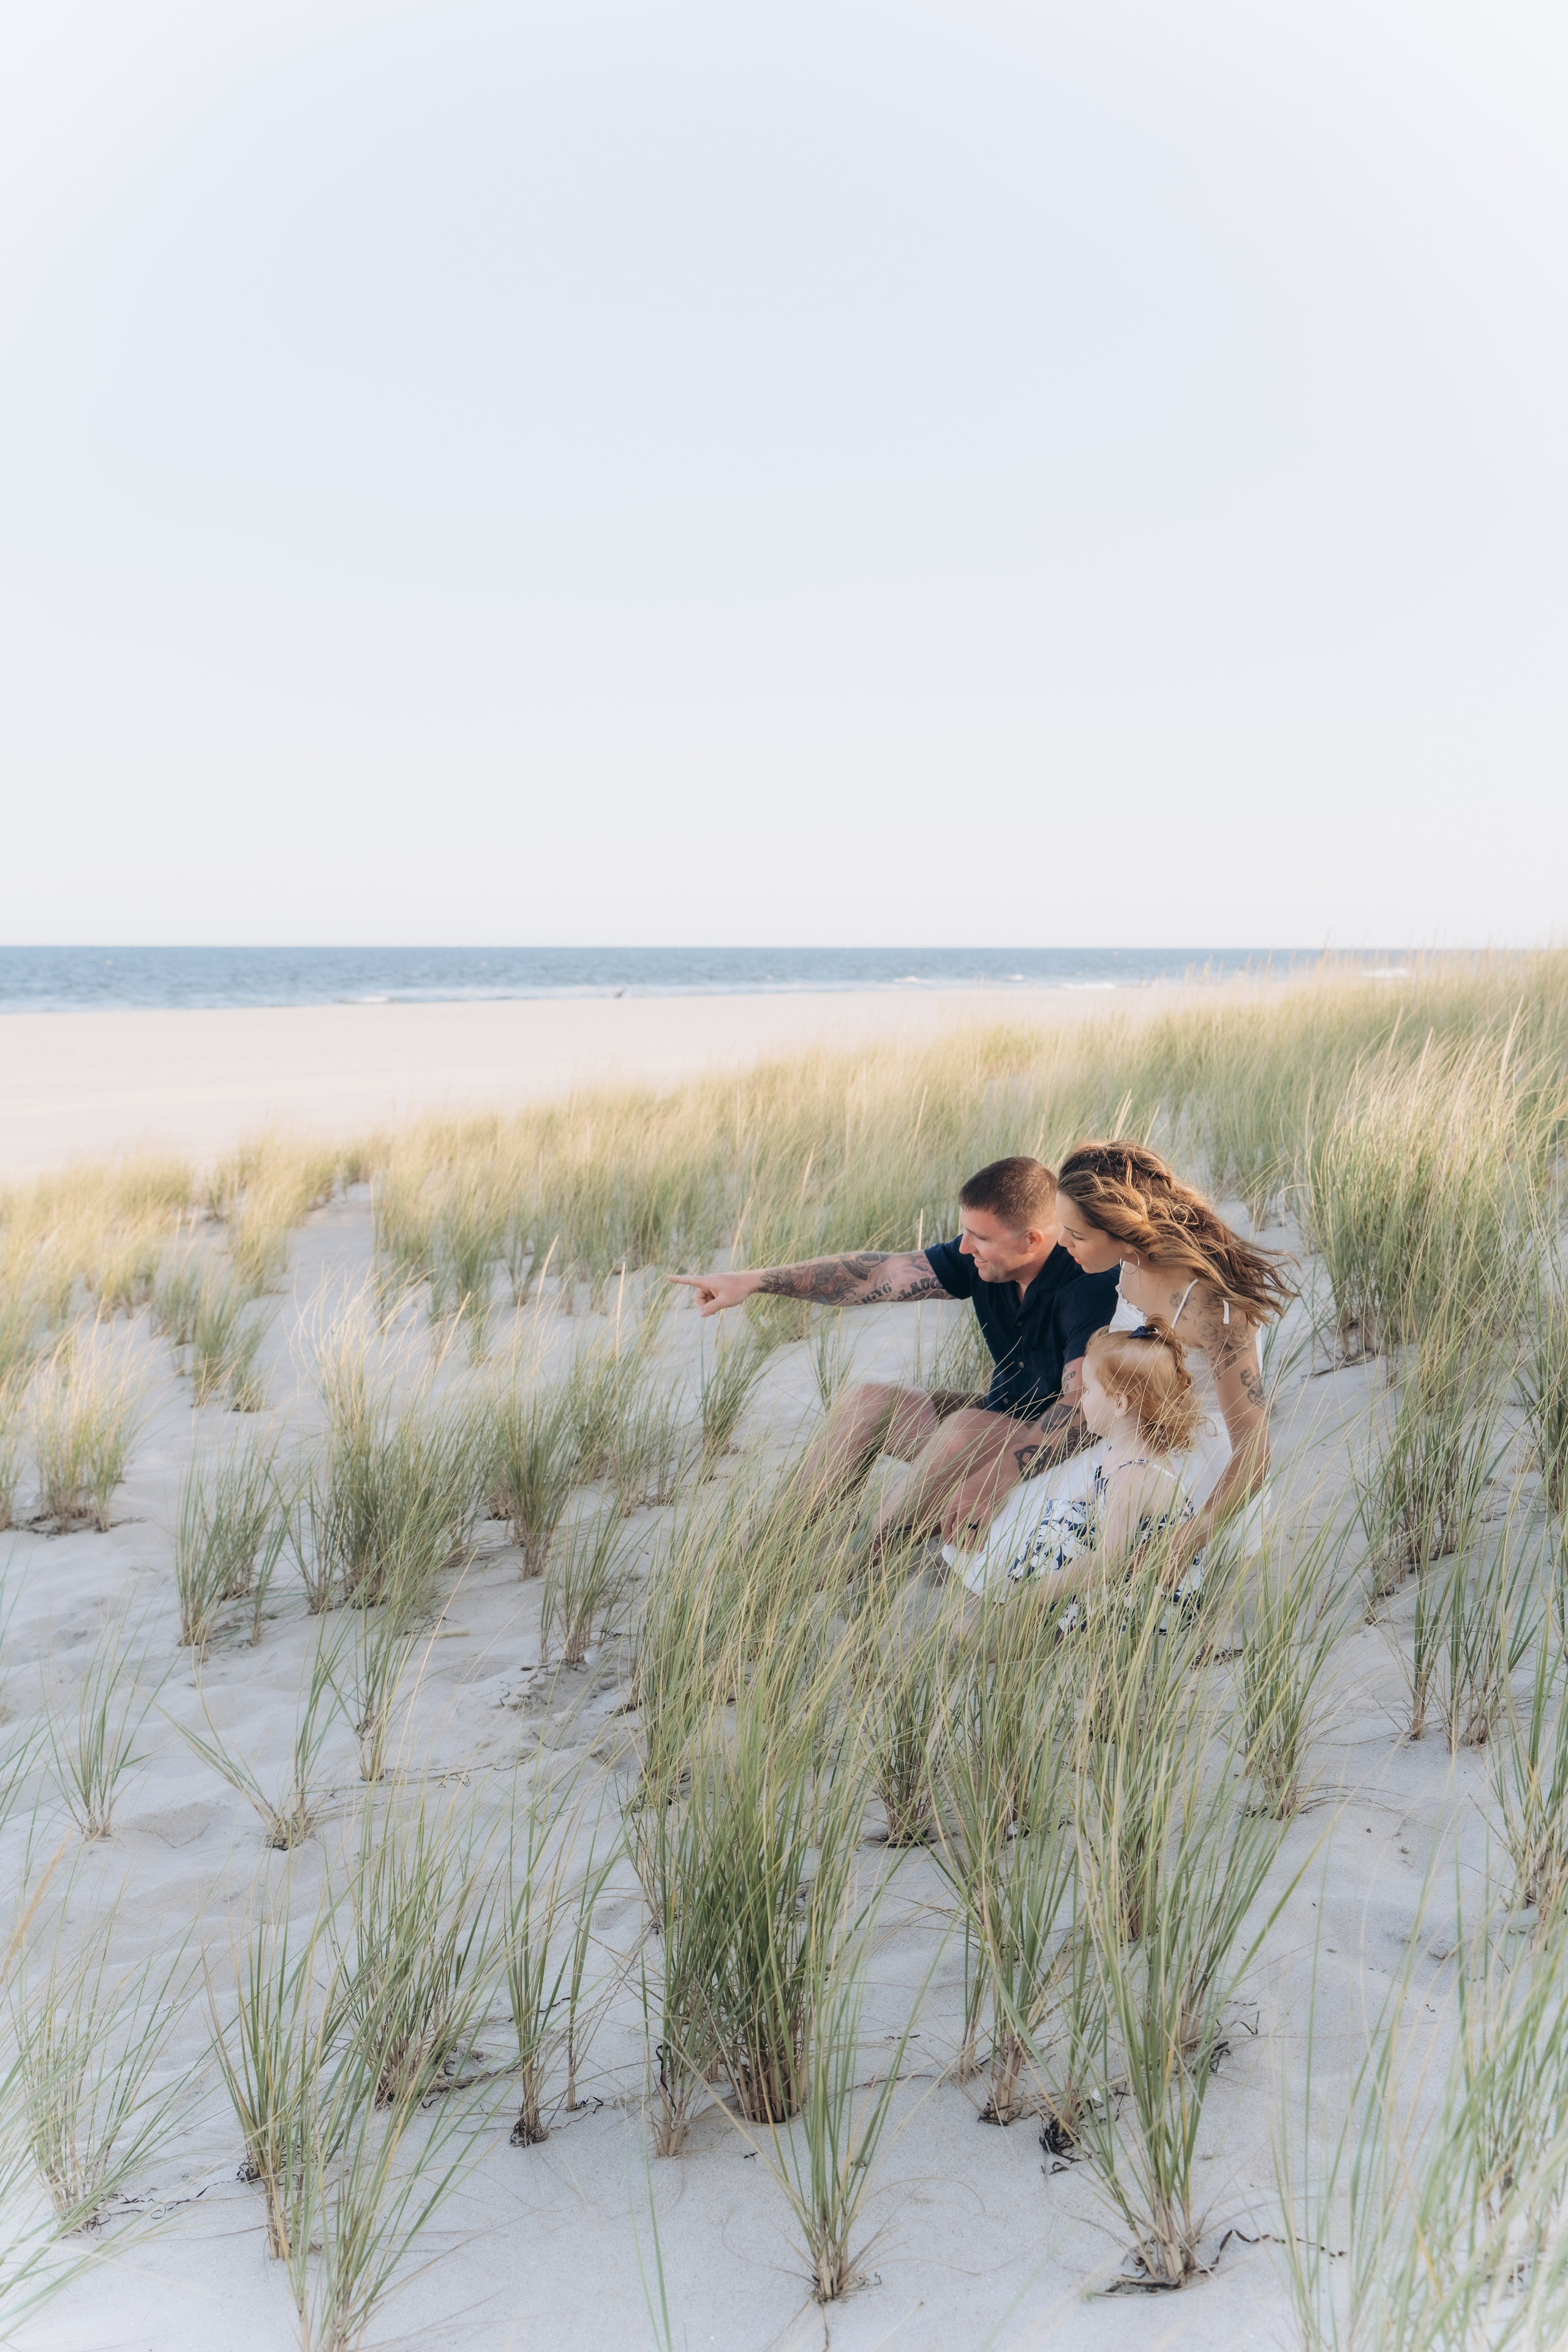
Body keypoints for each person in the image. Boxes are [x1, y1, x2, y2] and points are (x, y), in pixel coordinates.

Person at [670, 1155, 1120, 1547]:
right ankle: (776, 1543)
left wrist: (994, 1476)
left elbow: (1080, 1412)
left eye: (979, 1238)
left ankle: (869, 1558)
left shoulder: (1087, 1284)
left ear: (1032, 1241)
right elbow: (876, 1275)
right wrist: (752, 1282)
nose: (964, 1249)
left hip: (1056, 1458)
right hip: (996, 1418)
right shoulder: (984, 1260)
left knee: (964, 1426)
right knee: (869, 1401)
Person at [1019, 1138, 1295, 1569]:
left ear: (1123, 1232)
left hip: (1199, 1476)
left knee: (1075, 1562)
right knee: (1018, 1524)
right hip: (1134, 1445)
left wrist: (1195, 1533)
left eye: (1077, 1235)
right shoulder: (1131, 1264)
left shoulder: (1209, 1306)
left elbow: (1254, 1451)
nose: (1063, 1245)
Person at [961, 1316, 1203, 1605]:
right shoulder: (1118, 1451)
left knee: (1063, 1525)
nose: (1080, 1399)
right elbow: (1092, 1500)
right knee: (1062, 1515)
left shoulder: (1134, 1475)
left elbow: (1108, 1563)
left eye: (1087, 1390)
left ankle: (1029, 1605)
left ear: (1118, 1404)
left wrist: (1042, 1592)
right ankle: (1021, 1596)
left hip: (1149, 1595)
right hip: (1125, 1571)